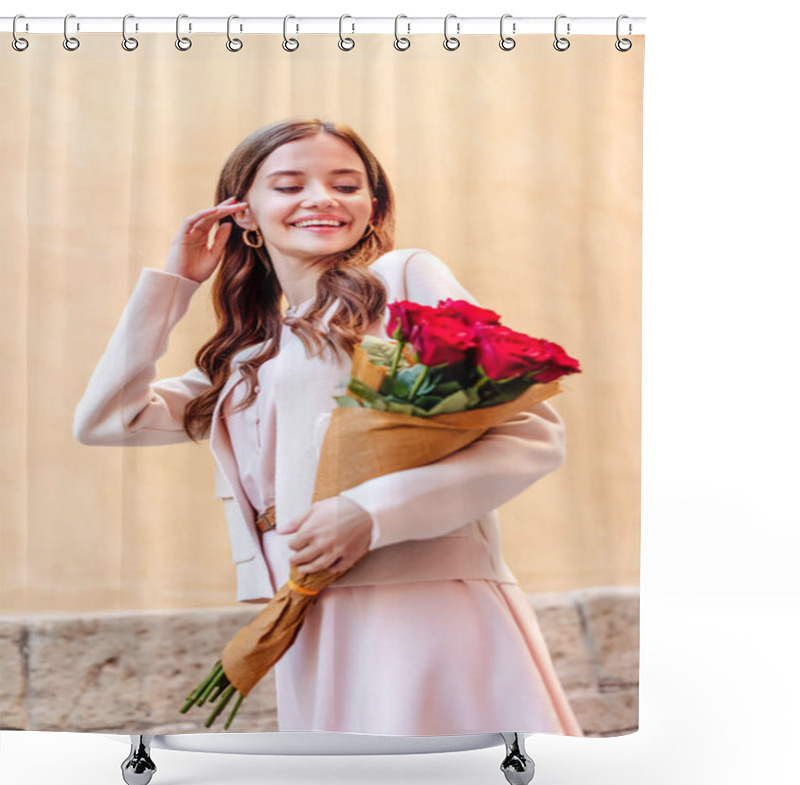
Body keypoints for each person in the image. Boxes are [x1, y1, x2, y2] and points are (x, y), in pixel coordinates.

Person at [73, 117, 584, 737]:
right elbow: (107, 419)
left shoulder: (401, 280)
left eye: (345, 185)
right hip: (307, 612)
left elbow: (530, 429)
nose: (321, 199)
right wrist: (174, 283)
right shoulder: (248, 358)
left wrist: (372, 510)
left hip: (418, 599)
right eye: (288, 186)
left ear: (372, 207)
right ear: (246, 217)